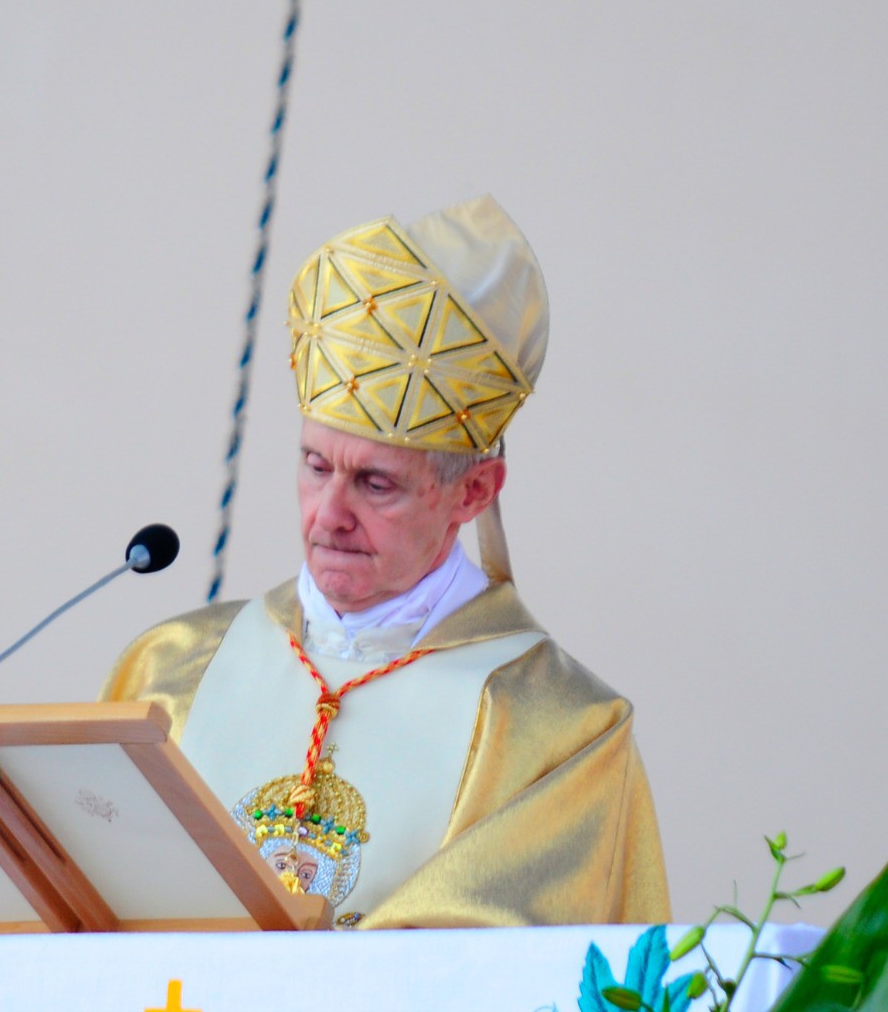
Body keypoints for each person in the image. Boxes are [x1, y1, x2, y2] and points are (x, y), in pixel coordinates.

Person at [102, 196, 669, 929]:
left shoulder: (559, 734)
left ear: (472, 491)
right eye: (314, 466)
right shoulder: (171, 672)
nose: (328, 514)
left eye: (375, 484)